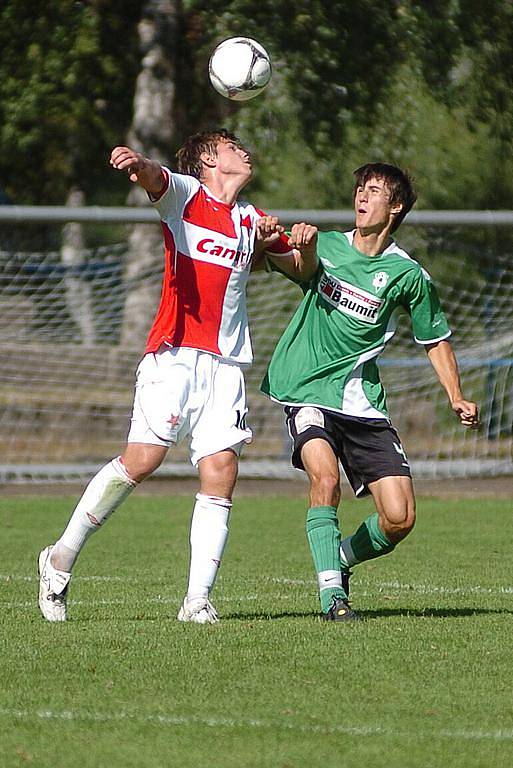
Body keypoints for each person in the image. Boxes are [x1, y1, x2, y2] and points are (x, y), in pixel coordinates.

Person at [38, 129, 318, 624]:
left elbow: (299, 267)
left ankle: (197, 601)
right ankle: (59, 559)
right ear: (209, 159)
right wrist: (137, 161)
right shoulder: (188, 196)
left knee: (221, 472)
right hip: (174, 355)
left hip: (226, 364)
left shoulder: (251, 218)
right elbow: (154, 178)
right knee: (142, 461)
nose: (245, 151)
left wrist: (301, 241)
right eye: (233, 146)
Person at [261, 162, 479, 621]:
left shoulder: (408, 275)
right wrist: (283, 243)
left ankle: (338, 561)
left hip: (362, 402)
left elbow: (435, 339)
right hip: (306, 388)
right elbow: (293, 266)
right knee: (325, 480)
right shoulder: (328, 244)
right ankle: (331, 600)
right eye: (360, 188)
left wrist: (455, 396)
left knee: (399, 518)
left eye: (374, 190)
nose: (362, 196)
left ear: (394, 207)